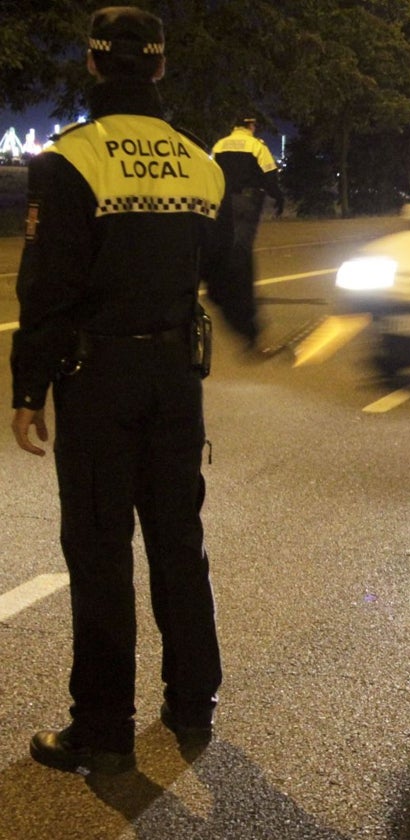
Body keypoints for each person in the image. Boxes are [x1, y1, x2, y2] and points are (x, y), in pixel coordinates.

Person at [10, 7, 228, 774]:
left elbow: (48, 289)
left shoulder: (69, 160)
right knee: (179, 541)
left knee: (101, 551)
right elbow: (224, 267)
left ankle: (102, 727)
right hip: (176, 378)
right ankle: (192, 703)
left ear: (96, 66)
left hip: (98, 378)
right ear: (160, 67)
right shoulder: (200, 161)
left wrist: (27, 385)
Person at [210, 116, 284, 351]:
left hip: (224, 201)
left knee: (228, 241)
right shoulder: (256, 146)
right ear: (250, 127)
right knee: (242, 247)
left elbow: (211, 172)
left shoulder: (220, 145)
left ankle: (231, 280)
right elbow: (270, 174)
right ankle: (240, 290)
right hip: (248, 199)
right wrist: (278, 197)